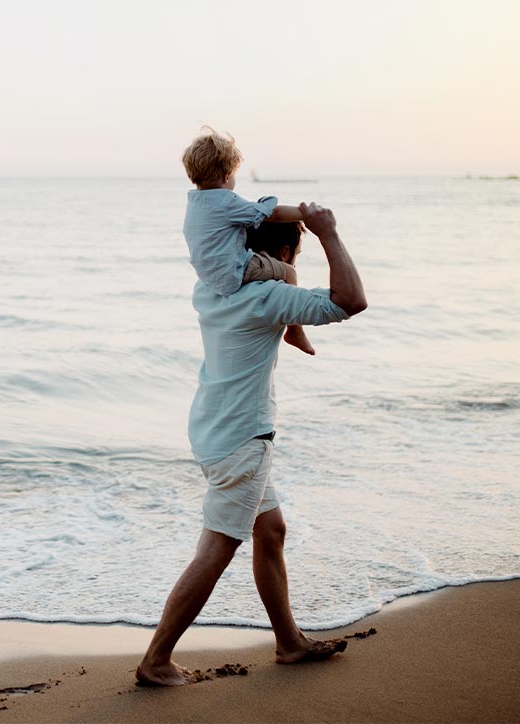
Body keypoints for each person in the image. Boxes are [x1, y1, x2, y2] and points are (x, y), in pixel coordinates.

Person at [136, 204, 368, 686]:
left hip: (213, 429)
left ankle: (289, 642)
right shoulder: (266, 298)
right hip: (243, 441)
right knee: (217, 549)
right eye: (293, 255)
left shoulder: (213, 288)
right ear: (284, 254)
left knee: (272, 529)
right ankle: (156, 659)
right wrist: (329, 233)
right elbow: (351, 300)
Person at [182, 126, 316, 355]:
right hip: (233, 273)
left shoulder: (194, 203)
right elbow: (270, 215)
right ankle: (295, 331)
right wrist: (306, 213)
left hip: (208, 276)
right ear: (226, 175)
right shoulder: (225, 201)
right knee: (289, 273)